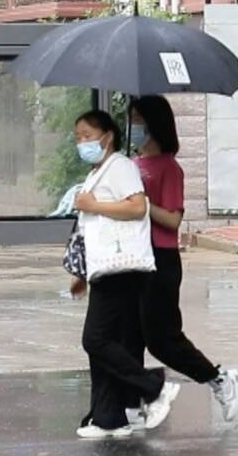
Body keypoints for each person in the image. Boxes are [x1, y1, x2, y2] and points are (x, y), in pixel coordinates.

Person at [128, 95, 238, 422]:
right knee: (130, 336)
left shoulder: (168, 168)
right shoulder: (131, 165)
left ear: (152, 125)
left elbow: (173, 220)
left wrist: (141, 204)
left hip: (160, 259)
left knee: (161, 339)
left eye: (137, 120)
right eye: (131, 119)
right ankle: (135, 403)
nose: (132, 126)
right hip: (133, 258)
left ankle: (218, 378)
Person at [71, 109, 180, 439]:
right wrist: (81, 272)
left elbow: (137, 206)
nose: (82, 143)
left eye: (88, 136)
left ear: (108, 136)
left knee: (96, 339)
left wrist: (94, 205)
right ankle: (109, 417)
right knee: (105, 341)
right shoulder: (100, 171)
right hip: (104, 267)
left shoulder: (120, 167)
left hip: (123, 267)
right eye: (77, 137)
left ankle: (154, 388)